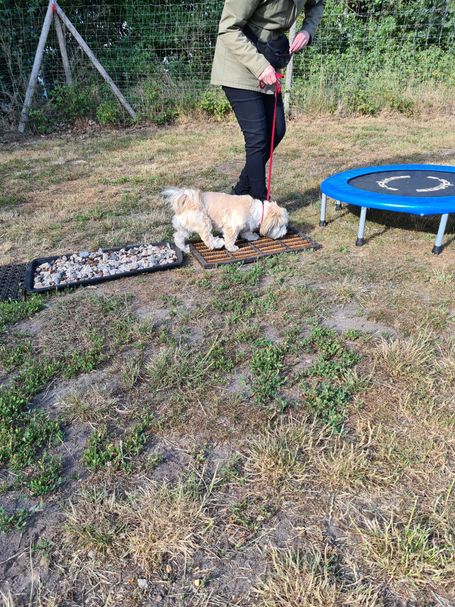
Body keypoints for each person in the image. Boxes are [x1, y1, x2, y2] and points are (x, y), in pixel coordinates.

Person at [211, 0, 325, 201]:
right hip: (239, 60)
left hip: (268, 58)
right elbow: (228, 29)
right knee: (257, 138)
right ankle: (260, 206)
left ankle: (241, 193)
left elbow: (318, 3)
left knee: (276, 130)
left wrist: (307, 31)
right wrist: (260, 67)